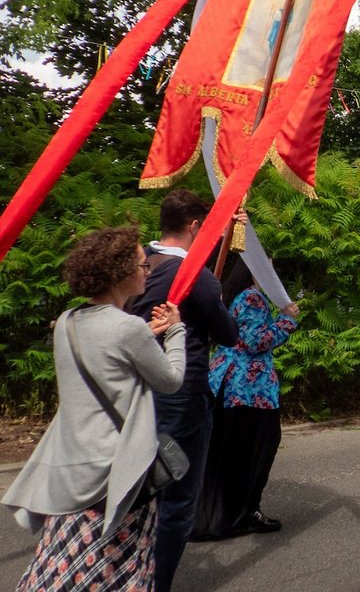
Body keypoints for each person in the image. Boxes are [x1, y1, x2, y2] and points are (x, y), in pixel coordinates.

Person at [2, 227, 186, 590]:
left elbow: (105, 353)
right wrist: (176, 331)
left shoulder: (67, 322)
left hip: (72, 469)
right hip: (117, 473)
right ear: (121, 273)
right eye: (141, 264)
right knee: (119, 570)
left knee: (61, 567)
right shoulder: (128, 328)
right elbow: (171, 380)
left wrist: (146, 333)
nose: (146, 270)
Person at [129, 189, 240, 592]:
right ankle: (155, 584)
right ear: (195, 226)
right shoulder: (195, 275)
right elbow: (228, 334)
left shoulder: (136, 262)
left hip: (129, 391)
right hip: (180, 394)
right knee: (175, 499)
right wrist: (218, 297)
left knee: (132, 492)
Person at [191, 258, 300, 540]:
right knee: (254, 451)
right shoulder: (252, 297)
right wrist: (287, 319)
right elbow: (255, 341)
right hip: (248, 388)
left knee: (225, 453)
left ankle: (218, 514)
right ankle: (240, 514)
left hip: (227, 382)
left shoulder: (229, 294)